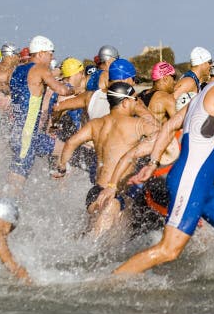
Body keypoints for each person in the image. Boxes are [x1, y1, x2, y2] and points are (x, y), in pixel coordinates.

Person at [105, 44, 214, 281]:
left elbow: (170, 128)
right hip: (190, 181)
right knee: (169, 250)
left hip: (203, 186)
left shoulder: (203, 95)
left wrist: (152, 163)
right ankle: (110, 281)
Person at [55, 82, 157, 237]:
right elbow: (164, 135)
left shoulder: (96, 124)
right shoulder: (137, 124)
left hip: (95, 192)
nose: (137, 103)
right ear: (125, 102)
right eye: (135, 99)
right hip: (114, 194)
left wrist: (62, 167)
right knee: (102, 246)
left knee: (91, 237)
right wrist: (144, 111)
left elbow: (71, 143)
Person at [8, 35, 72, 187]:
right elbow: (61, 90)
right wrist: (75, 88)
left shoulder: (17, 70)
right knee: (16, 181)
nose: (52, 57)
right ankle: (2, 207)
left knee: (65, 148)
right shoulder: (40, 69)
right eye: (51, 53)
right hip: (27, 137)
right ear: (41, 53)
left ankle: (58, 185)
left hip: (20, 132)